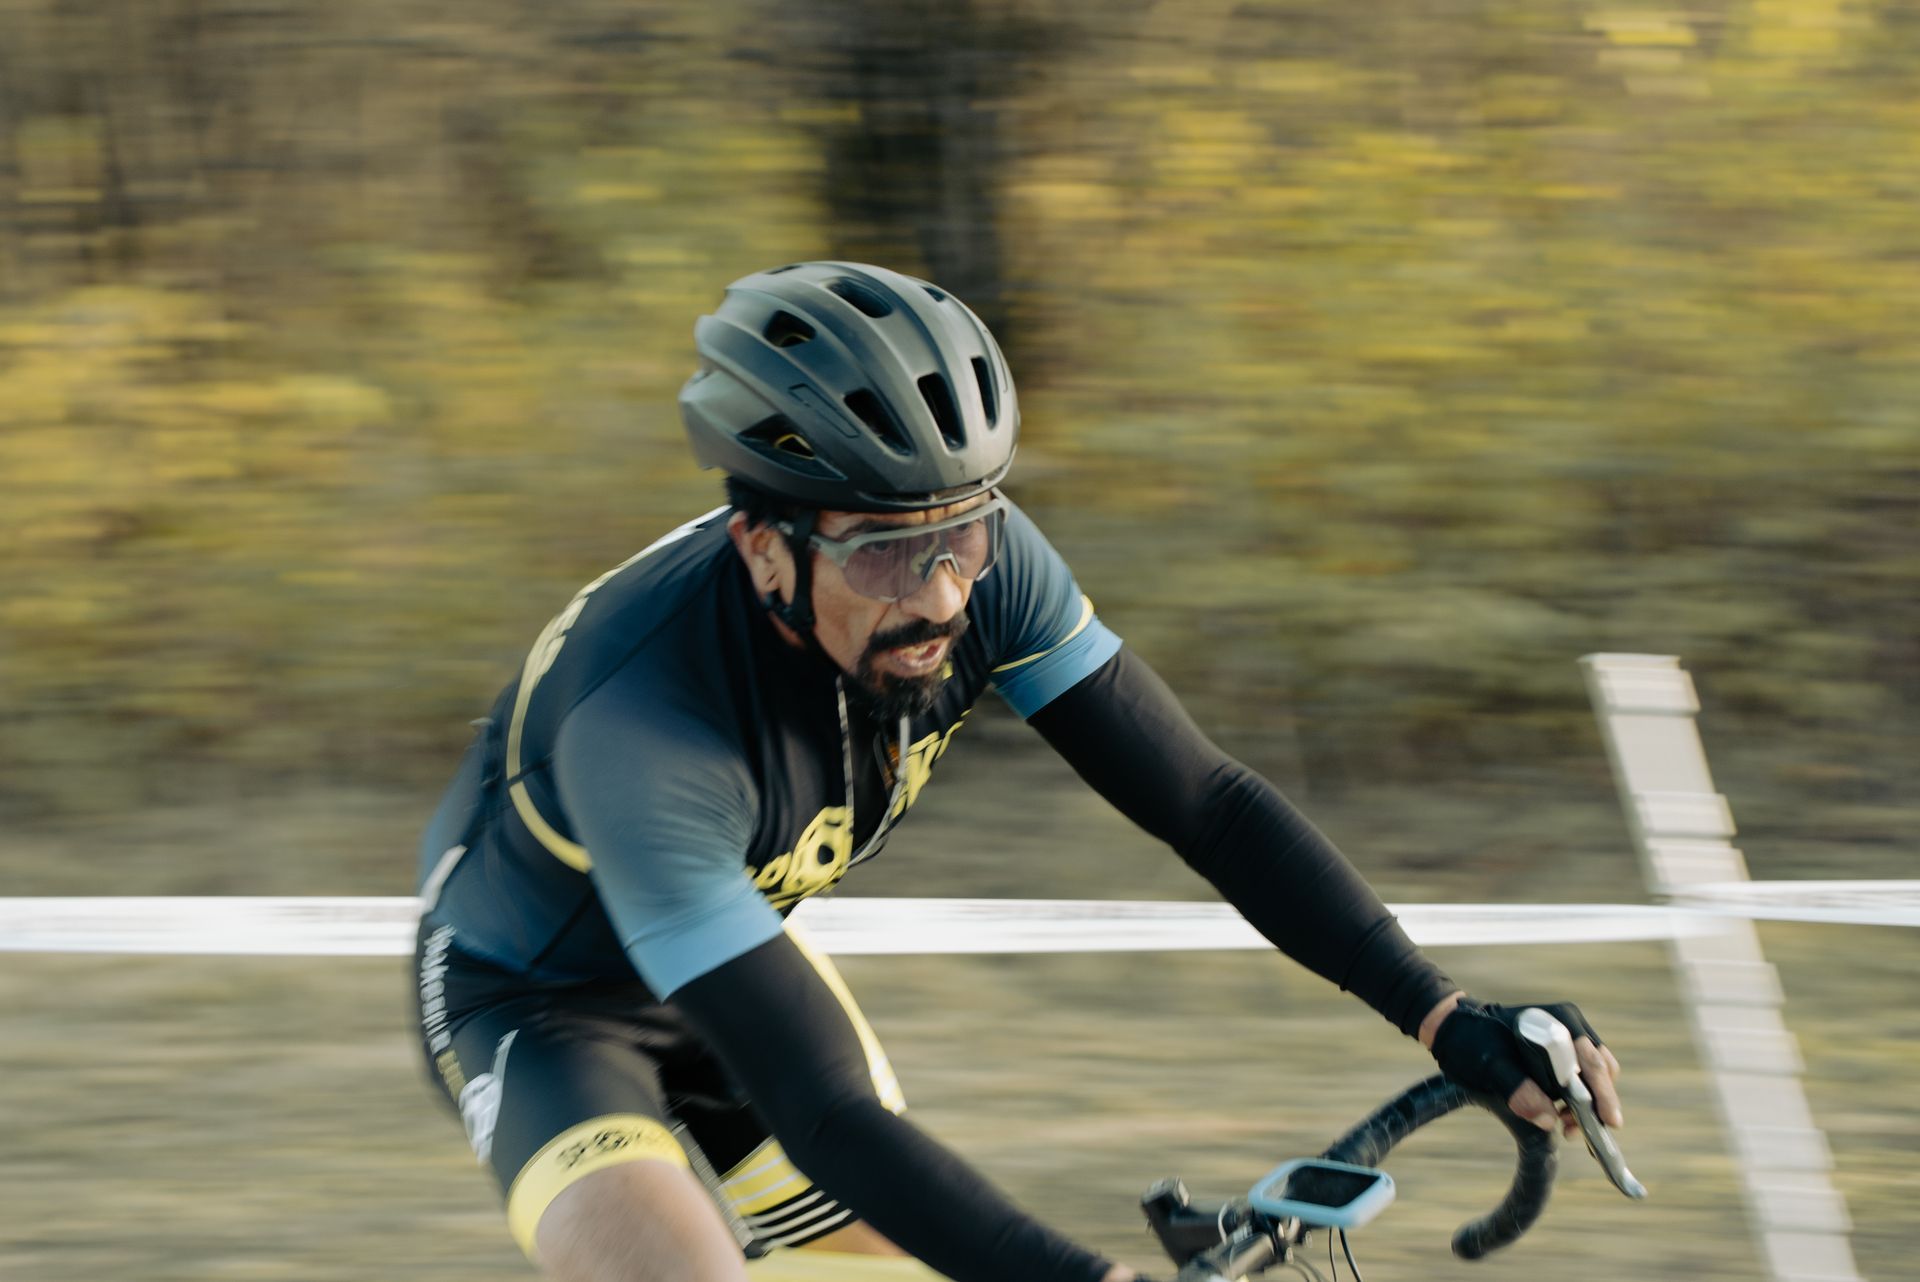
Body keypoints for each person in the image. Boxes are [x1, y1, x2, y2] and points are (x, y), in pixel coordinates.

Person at [409, 261, 1624, 1282]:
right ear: (764, 550)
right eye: (889, 556)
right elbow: (830, 1117)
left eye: (963, 536)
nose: (941, 594)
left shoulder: (985, 565)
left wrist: (1444, 1013)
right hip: (538, 1005)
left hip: (731, 961)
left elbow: (1203, 801)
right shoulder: (650, 730)